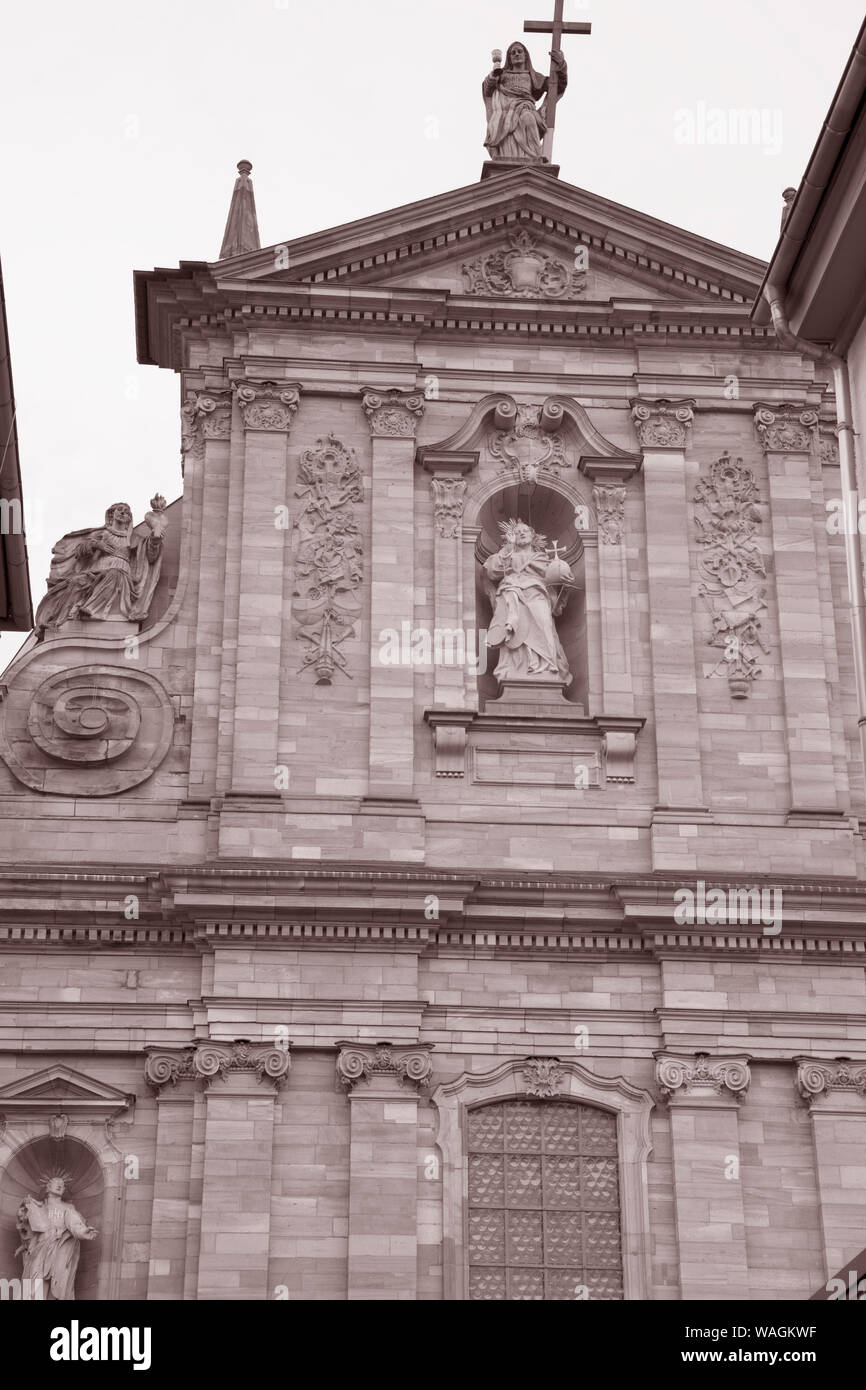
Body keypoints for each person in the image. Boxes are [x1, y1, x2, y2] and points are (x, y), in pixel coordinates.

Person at [483, 520, 573, 684]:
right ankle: (515, 669)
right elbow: (491, 571)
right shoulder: (506, 555)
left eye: (525, 531)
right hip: (512, 594)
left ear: (533, 536)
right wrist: (508, 548)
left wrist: (564, 581)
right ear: (512, 537)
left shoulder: (542, 558)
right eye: (517, 532)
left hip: (537, 595)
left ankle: (546, 667)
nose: (522, 533)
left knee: (544, 626)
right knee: (514, 630)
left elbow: (553, 581)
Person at [16, 1176, 97, 1301]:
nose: (60, 1185)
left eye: (62, 1185)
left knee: (57, 1285)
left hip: (58, 1249)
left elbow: (74, 1224)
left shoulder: (68, 1208)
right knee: (34, 1285)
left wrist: (83, 1231)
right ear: (48, 1187)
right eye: (56, 1183)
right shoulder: (38, 1207)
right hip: (39, 1250)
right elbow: (28, 1231)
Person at [483, 42, 568, 160]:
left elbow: (556, 87)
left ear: (526, 55)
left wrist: (562, 67)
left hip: (525, 107)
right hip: (504, 111)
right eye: (513, 53)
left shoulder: (533, 76)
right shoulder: (502, 75)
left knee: (527, 118)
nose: (516, 54)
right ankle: (506, 156)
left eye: (519, 51)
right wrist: (492, 77)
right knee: (506, 123)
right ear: (509, 58)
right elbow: (487, 89)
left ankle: (533, 156)